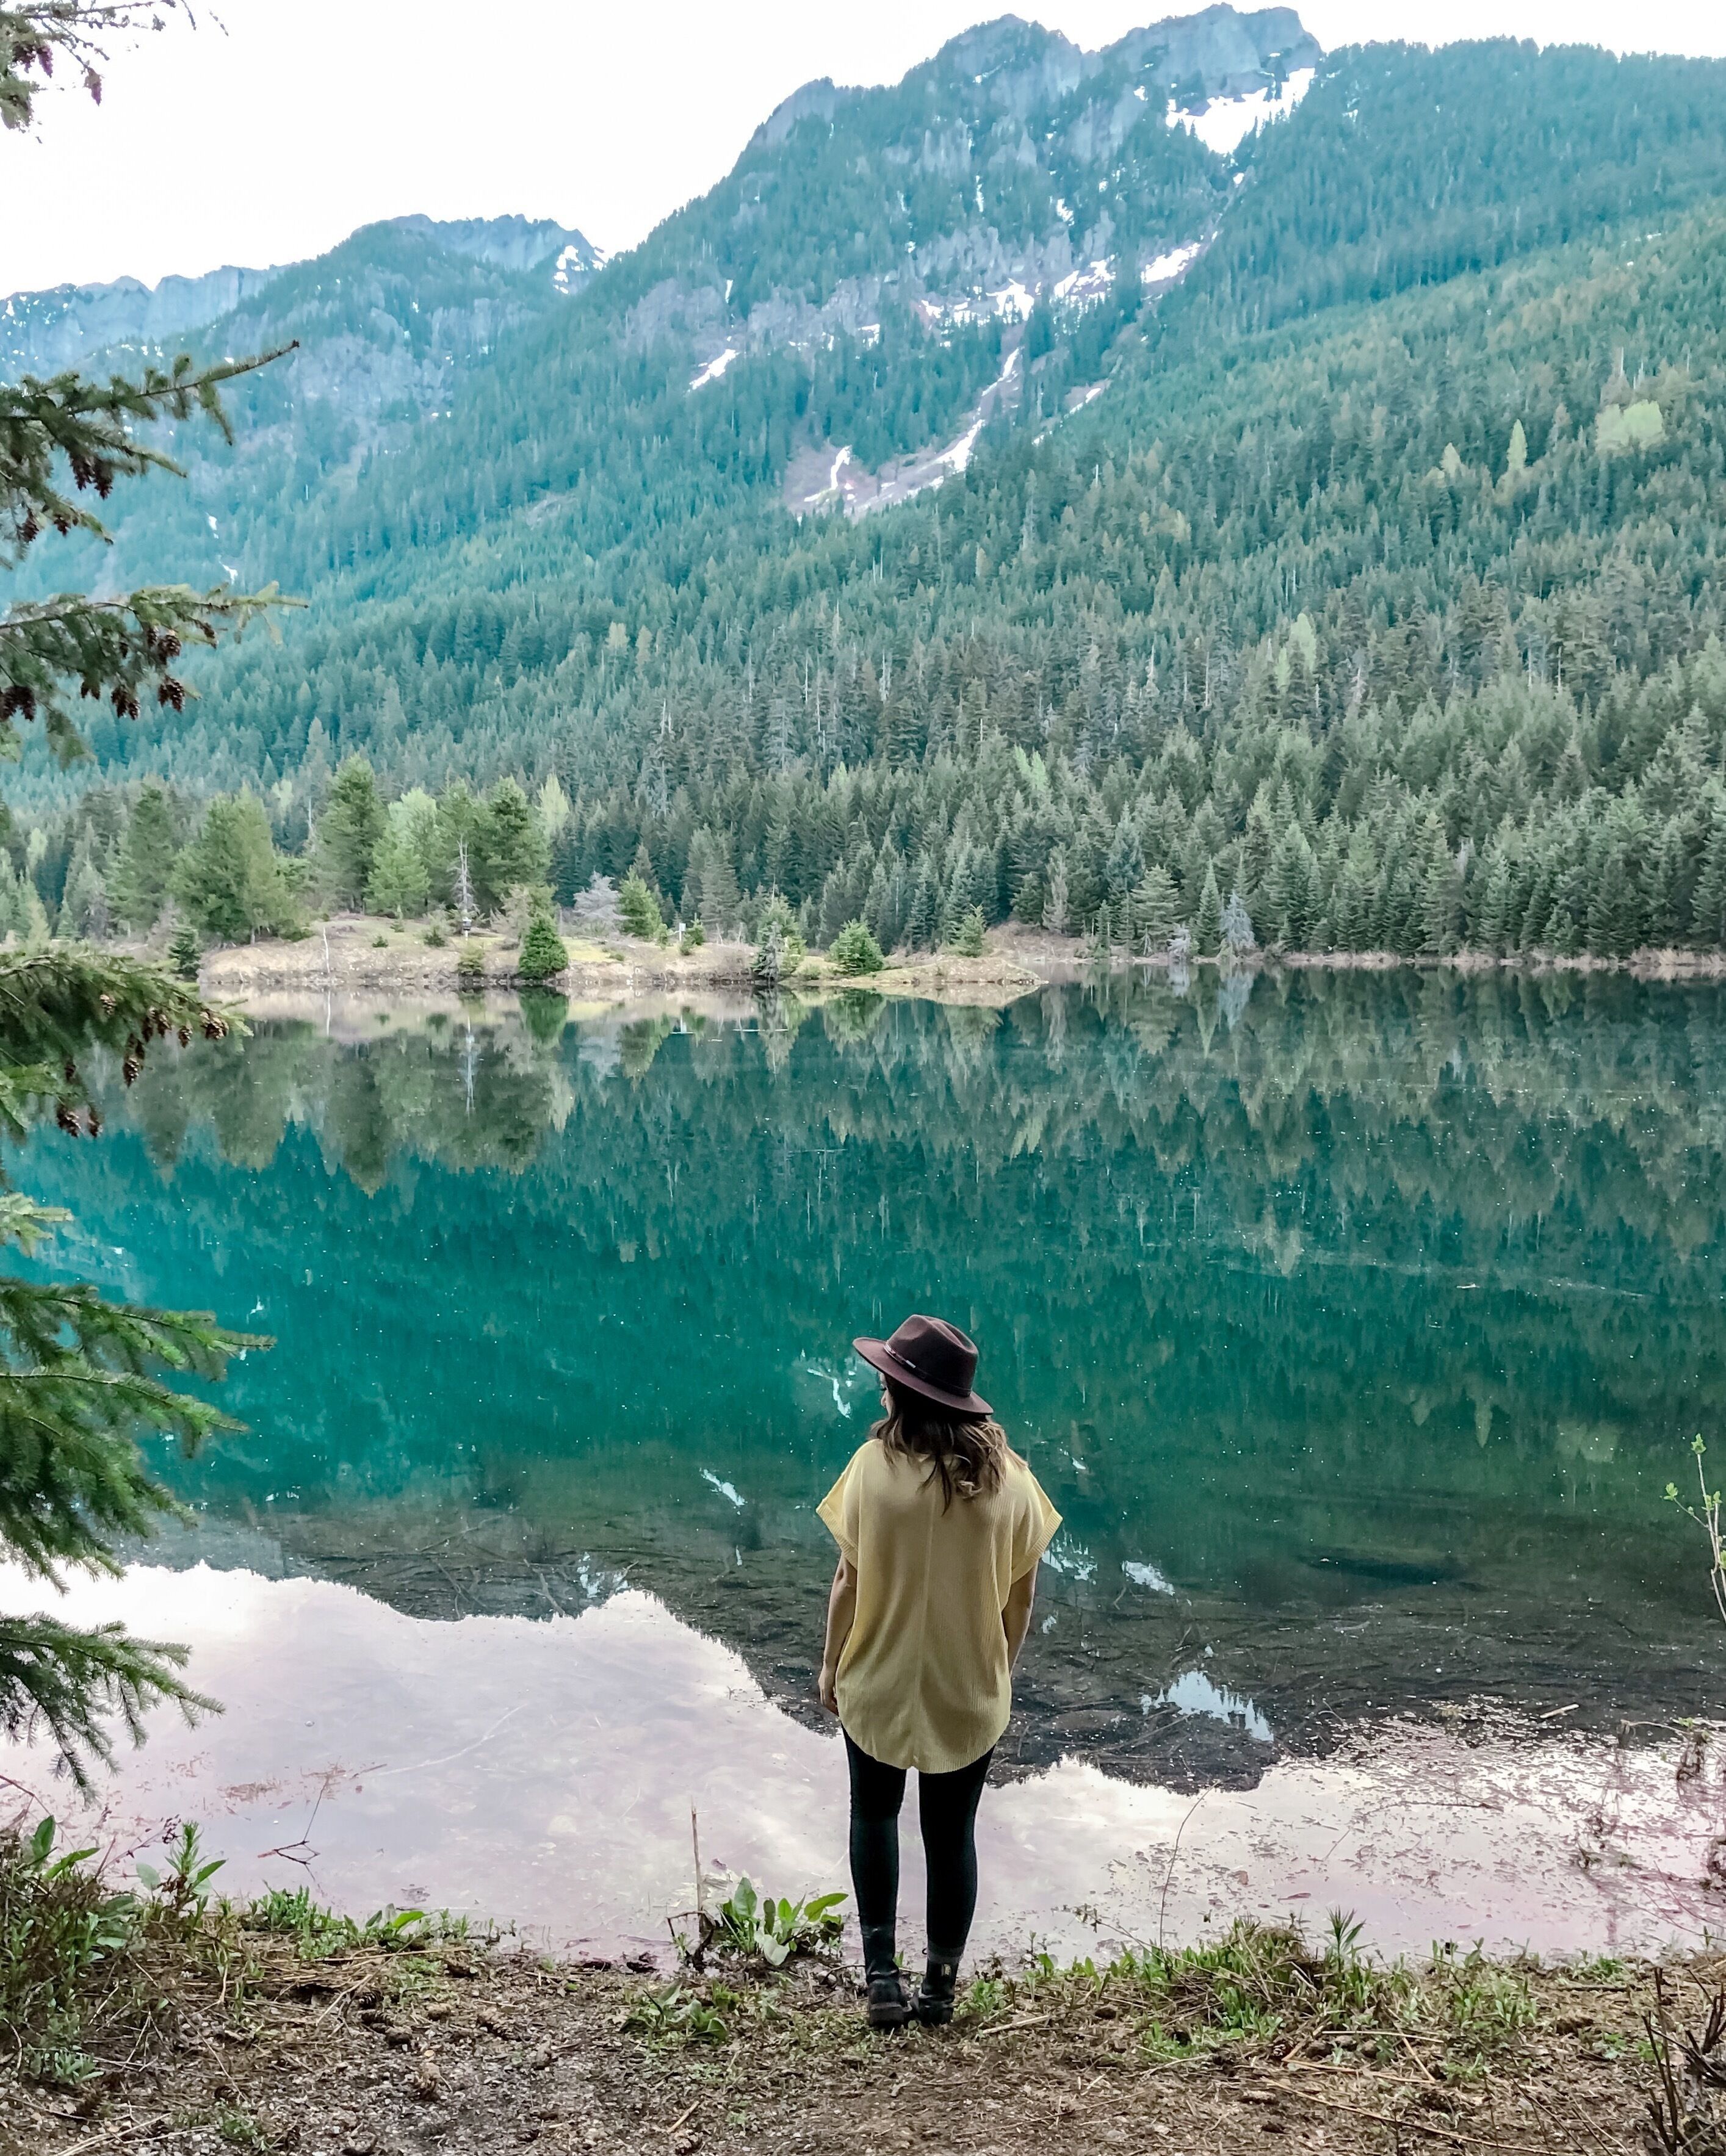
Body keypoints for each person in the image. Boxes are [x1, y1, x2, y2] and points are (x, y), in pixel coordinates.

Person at [817, 1314, 1060, 2030]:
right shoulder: (1011, 1483)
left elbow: (846, 1578)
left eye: (887, 1381)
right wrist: (998, 1669)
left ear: (902, 1390)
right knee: (951, 1834)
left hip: (877, 1678)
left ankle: (881, 1978)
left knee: (873, 1813)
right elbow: (1021, 1594)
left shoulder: (872, 1470)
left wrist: (831, 1665)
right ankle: (942, 1987)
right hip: (967, 1689)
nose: (882, 1391)